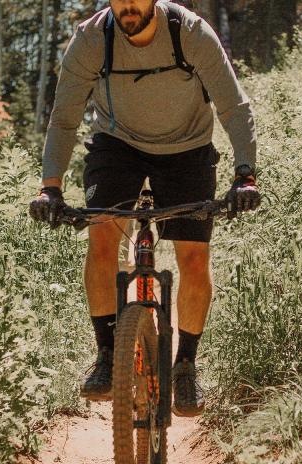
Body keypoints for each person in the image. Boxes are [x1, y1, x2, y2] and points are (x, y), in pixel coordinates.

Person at [29, 0, 259, 417]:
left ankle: (186, 363)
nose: (128, 6)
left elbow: (233, 105)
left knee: (192, 256)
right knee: (101, 239)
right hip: (118, 147)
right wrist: (51, 188)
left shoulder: (188, 32)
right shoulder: (92, 39)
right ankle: (106, 355)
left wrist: (245, 174)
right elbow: (64, 118)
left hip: (187, 149)